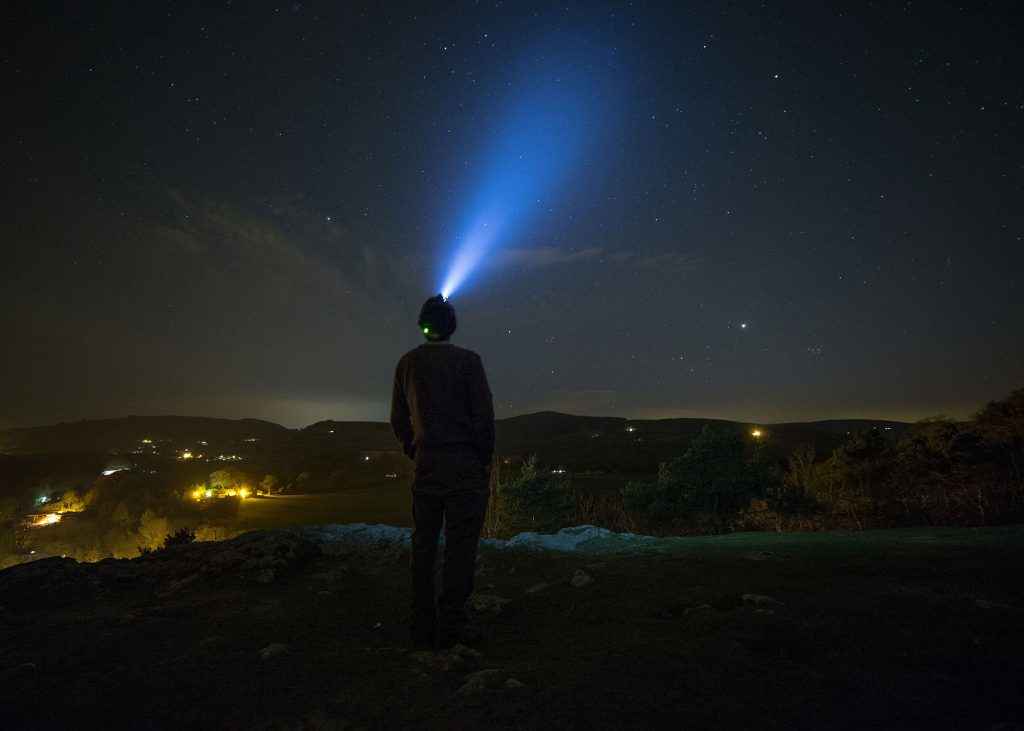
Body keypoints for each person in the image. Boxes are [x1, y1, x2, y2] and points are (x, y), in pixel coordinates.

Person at [390, 294, 495, 649]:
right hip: (464, 467)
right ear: (451, 326)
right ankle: (451, 626)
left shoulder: (407, 364)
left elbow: (399, 420)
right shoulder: (469, 362)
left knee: (424, 547)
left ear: (422, 325)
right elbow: (483, 418)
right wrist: (483, 459)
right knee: (460, 549)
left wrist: (414, 449)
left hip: (428, 466)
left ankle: (420, 628)